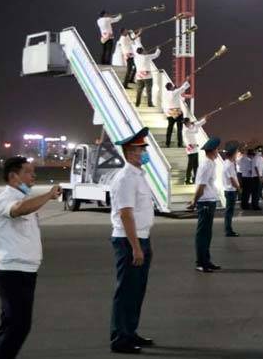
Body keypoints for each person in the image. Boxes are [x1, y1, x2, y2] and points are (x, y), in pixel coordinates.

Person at [0, 157, 62, 359]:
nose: (34, 175)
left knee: (12, 325)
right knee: (18, 325)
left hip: (25, 271)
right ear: (14, 176)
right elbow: (18, 210)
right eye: (28, 172)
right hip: (13, 273)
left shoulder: (22, 198)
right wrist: (48, 195)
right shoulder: (6, 199)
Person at [108, 128, 156, 354]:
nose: (145, 152)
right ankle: (120, 338)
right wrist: (136, 247)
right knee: (127, 291)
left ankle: (130, 331)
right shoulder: (126, 178)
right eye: (141, 149)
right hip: (129, 241)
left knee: (137, 291)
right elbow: (126, 214)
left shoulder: (139, 176)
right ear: (130, 152)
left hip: (141, 238)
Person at [188, 138, 222, 273]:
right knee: (203, 234)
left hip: (210, 201)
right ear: (212, 151)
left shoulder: (211, 164)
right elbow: (201, 186)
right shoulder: (206, 165)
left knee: (207, 234)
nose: (218, 151)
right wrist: (194, 202)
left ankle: (206, 261)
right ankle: (201, 263)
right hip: (205, 202)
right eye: (217, 149)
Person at [162, 81, 189, 148]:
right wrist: (187, 80)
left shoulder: (165, 94)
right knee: (179, 129)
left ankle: (167, 143)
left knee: (170, 128)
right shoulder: (174, 92)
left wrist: (174, 88)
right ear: (171, 87)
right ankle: (180, 144)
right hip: (177, 111)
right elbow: (182, 88)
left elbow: (177, 91)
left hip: (170, 112)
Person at [182, 117, 207, 185]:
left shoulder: (190, 127)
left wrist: (204, 119)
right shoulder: (186, 130)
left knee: (196, 166)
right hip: (191, 151)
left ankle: (195, 179)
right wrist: (194, 125)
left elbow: (198, 125)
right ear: (186, 123)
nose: (190, 122)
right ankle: (187, 180)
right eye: (189, 122)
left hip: (195, 150)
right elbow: (195, 130)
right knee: (190, 166)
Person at [222, 147, 240, 237]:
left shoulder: (227, 163)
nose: (237, 155)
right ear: (233, 154)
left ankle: (228, 229)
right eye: (236, 153)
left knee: (229, 211)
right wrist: (238, 188)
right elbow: (232, 179)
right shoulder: (229, 165)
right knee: (229, 212)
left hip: (228, 190)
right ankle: (228, 230)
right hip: (230, 191)